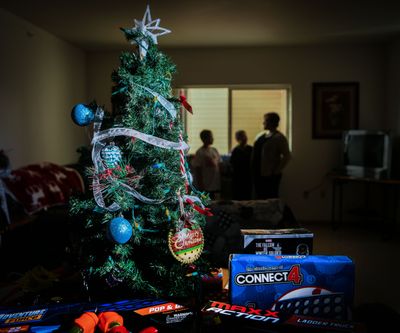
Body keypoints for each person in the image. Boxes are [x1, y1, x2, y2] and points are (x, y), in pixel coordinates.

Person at [252, 112, 291, 199]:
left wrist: (276, 171)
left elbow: (287, 156)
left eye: (265, 121)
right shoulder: (261, 136)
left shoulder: (279, 138)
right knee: (259, 198)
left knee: (270, 199)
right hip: (258, 173)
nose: (263, 123)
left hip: (269, 176)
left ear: (272, 122)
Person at [192, 129, 221, 199]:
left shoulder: (214, 150)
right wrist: (201, 186)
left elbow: (219, 164)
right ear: (204, 139)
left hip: (216, 184)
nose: (212, 138)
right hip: (206, 185)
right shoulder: (200, 152)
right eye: (211, 137)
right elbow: (197, 170)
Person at [230, 130, 253, 200]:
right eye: (242, 136)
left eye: (245, 136)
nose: (245, 138)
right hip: (237, 178)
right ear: (237, 139)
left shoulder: (251, 149)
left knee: (248, 197)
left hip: (248, 177)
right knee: (238, 197)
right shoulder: (235, 151)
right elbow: (232, 164)